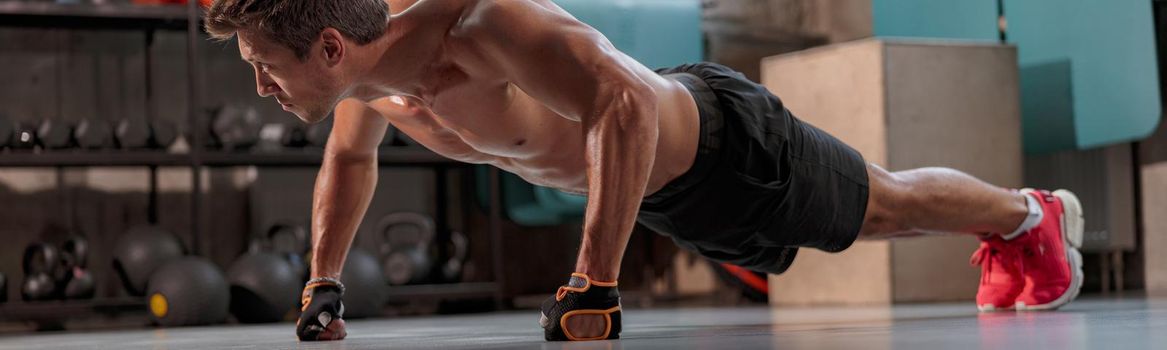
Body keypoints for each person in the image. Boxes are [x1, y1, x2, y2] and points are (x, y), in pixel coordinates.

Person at [204, 0, 1084, 342]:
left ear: (327, 45)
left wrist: (593, 279)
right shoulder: (370, 84)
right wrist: (323, 282)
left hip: (722, 145)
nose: (260, 86)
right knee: (853, 228)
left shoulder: (480, 28)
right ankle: (1014, 224)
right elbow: (348, 165)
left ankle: (1026, 217)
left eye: (263, 65)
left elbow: (620, 106)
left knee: (879, 206)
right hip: (654, 195)